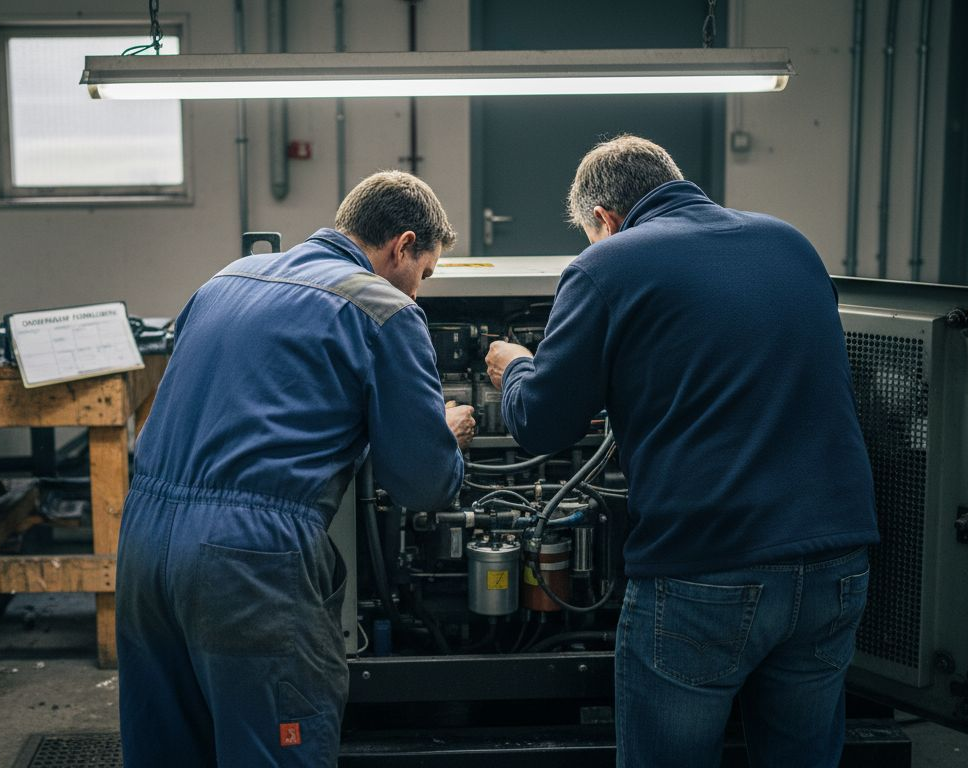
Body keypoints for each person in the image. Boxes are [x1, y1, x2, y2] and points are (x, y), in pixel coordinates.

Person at [485, 135, 879, 768]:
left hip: (707, 571)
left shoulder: (604, 265)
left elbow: (540, 424)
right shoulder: (791, 242)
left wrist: (514, 367)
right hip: (835, 560)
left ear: (604, 220)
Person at [117, 171, 476, 767]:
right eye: (426, 273)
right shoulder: (383, 309)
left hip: (143, 544)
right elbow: (422, 482)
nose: (419, 294)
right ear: (402, 245)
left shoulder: (225, 279)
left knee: (170, 750)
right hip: (247, 561)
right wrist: (446, 432)